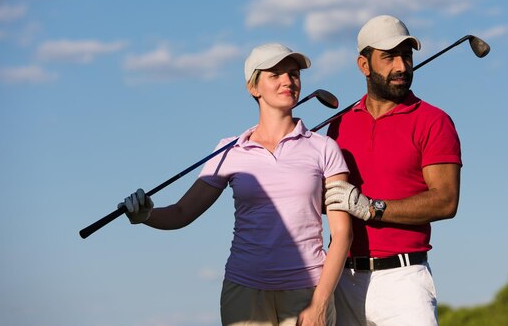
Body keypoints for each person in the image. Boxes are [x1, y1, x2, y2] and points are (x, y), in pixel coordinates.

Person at [119, 43, 353, 326]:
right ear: (253, 87)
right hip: (244, 292)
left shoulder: (324, 148)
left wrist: (320, 302)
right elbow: (182, 213)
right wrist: (146, 216)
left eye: (293, 74)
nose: (288, 81)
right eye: (275, 74)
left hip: (307, 290)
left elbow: (342, 234)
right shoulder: (229, 150)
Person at [324, 15, 462, 326]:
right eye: (389, 57)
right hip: (342, 280)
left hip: (404, 282)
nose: (401, 66)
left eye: (407, 55)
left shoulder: (433, 120)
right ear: (364, 65)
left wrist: (371, 208)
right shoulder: (339, 125)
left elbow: (446, 200)